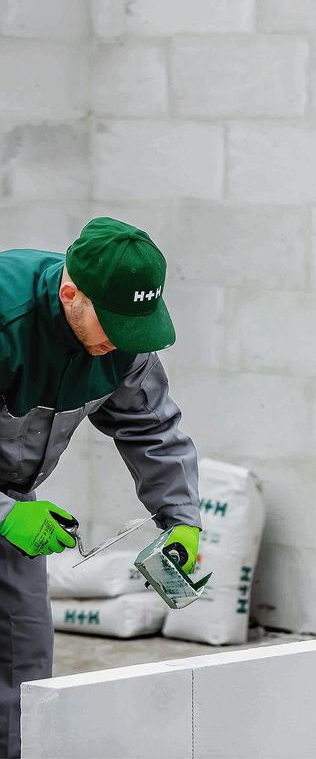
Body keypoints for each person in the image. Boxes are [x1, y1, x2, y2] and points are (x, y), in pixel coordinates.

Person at [0, 217, 202, 758]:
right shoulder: (4, 317)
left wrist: (180, 518)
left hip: (11, 510)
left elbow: (152, 427)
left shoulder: (123, 342)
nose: (120, 341)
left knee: (22, 667)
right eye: (111, 324)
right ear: (71, 293)